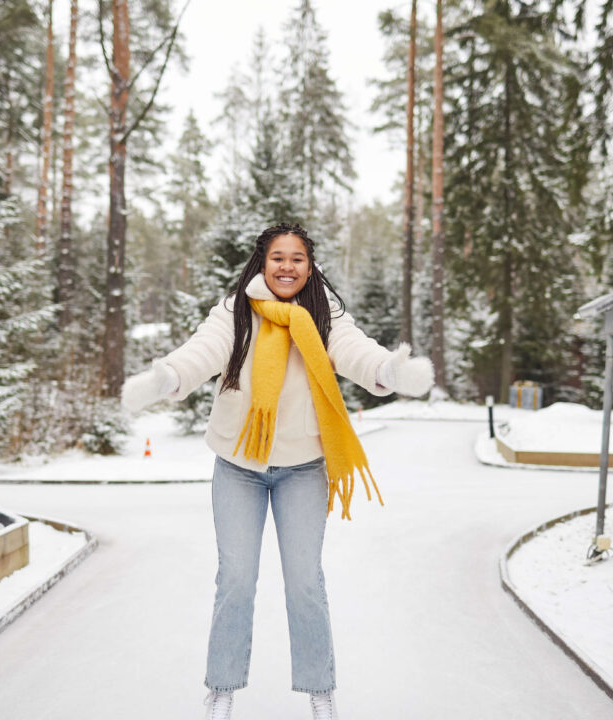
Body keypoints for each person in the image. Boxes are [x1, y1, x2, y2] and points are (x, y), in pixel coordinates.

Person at [121, 223, 434, 720]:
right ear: (261, 263)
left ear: (310, 266)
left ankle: (319, 690)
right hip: (239, 465)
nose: (287, 267)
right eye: (277, 258)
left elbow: (354, 351)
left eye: (297, 259)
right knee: (237, 580)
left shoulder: (324, 313)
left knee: (305, 582)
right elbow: (202, 351)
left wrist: (389, 371)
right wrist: (168, 377)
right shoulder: (234, 311)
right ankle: (222, 689)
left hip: (304, 469)